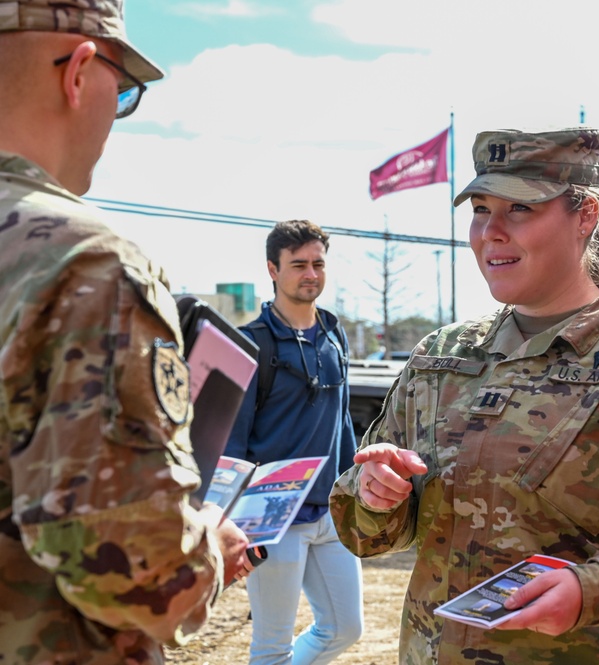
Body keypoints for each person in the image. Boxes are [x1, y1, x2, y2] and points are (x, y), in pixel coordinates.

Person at [330, 127, 599, 664]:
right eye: (481, 209)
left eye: (520, 210)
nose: (491, 232)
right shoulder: (442, 357)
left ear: (585, 216)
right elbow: (369, 531)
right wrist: (372, 493)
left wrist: (592, 590)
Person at [0, 1, 253, 663]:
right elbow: (138, 574)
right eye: (126, 87)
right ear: (79, 71)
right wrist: (212, 548)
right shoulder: (83, 259)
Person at [225, 219, 363, 664]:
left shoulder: (333, 334)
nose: (311, 274)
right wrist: (234, 523)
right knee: (271, 647)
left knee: (344, 628)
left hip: (331, 514)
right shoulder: (251, 343)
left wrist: (352, 494)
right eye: (299, 264)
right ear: (273, 269)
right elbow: (233, 440)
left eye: (318, 264)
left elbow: (341, 421)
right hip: (272, 518)